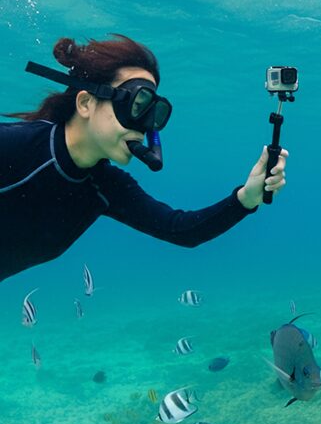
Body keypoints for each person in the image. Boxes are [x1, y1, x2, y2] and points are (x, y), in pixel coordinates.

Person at [0, 34, 288, 283]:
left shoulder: (104, 187)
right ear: (86, 103)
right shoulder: (15, 146)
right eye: (137, 105)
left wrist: (247, 198)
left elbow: (182, 230)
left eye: (153, 113)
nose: (144, 127)